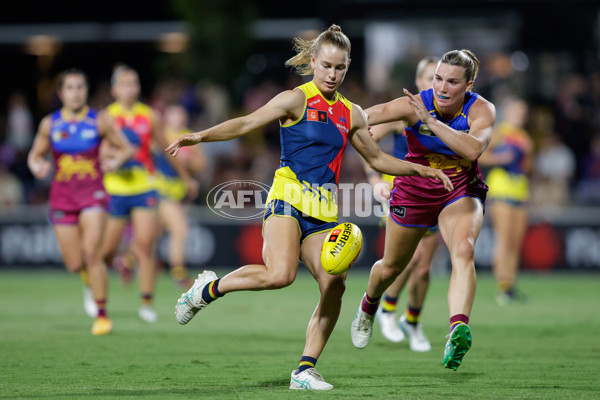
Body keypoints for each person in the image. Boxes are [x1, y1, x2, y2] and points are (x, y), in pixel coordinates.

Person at [165, 24, 452, 390]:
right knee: (279, 275)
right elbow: (246, 122)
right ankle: (205, 290)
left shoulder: (351, 113)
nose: (333, 74)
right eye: (327, 66)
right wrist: (201, 136)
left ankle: (304, 370)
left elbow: (378, 158)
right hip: (287, 197)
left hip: (323, 212)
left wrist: (419, 169)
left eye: (340, 68)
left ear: (347, 68)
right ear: (313, 61)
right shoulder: (295, 99)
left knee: (335, 283)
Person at [350, 49, 496, 372]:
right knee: (391, 268)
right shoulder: (413, 103)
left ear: (468, 85)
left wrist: (429, 121)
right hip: (414, 189)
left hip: (458, 189)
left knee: (463, 250)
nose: (442, 88)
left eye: (452, 82)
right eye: (438, 79)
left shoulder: (482, 109)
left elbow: (472, 149)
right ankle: (368, 307)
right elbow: (362, 118)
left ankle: (457, 328)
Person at [27, 68, 133, 335]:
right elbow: (34, 155)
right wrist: (36, 165)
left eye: (80, 87)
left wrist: (116, 160)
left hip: (93, 196)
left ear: (86, 92)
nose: (76, 93)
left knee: (92, 254)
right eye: (70, 88)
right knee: (75, 263)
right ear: (61, 93)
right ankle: (88, 280)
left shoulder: (99, 121)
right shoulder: (50, 124)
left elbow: (126, 147)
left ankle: (102, 315)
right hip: (62, 197)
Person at [100, 65, 197, 323]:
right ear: (114, 89)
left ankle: (146, 301)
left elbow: (166, 149)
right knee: (107, 251)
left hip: (145, 186)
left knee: (146, 244)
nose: (129, 89)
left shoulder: (150, 116)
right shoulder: (106, 117)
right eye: (124, 84)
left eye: (133, 83)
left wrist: (186, 177)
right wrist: (110, 159)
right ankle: (116, 264)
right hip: (115, 189)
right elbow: (97, 151)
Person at [364, 56, 439, 351]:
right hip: (401, 193)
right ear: (419, 83)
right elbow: (366, 140)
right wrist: (374, 179)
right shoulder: (403, 113)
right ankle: (388, 308)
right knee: (411, 258)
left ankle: (413, 321)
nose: (436, 84)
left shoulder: (447, 116)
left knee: (423, 269)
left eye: (441, 78)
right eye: (430, 77)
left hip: (434, 194)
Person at [479, 97, 533, 305]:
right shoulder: (499, 132)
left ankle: (510, 285)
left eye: (522, 113)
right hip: (501, 190)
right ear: (508, 112)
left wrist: (529, 153)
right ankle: (502, 286)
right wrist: (500, 159)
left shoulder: (524, 137)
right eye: (517, 112)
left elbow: (527, 169)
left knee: (515, 243)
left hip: (520, 190)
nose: (520, 116)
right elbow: (481, 155)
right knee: (504, 239)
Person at [153, 104, 206, 288]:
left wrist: (189, 160)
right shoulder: (159, 135)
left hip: (178, 195)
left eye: (181, 116)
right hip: (159, 191)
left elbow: (201, 165)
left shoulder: (189, 137)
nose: (178, 119)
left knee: (155, 232)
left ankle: (126, 260)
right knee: (179, 229)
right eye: (174, 116)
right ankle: (179, 273)